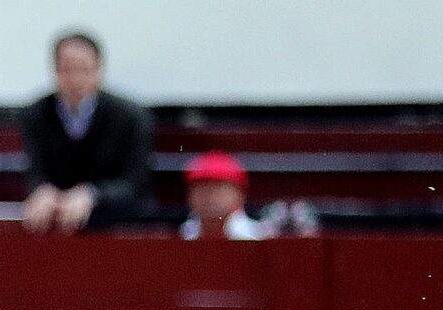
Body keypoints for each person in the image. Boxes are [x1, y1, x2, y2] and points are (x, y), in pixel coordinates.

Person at [18, 31, 153, 235]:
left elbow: (134, 183)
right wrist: (42, 190)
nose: (76, 79)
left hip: (118, 223)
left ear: (99, 71)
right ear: (54, 71)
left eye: (84, 70)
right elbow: (34, 170)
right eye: (67, 70)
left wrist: (92, 194)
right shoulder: (35, 115)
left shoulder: (130, 117)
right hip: (56, 223)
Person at [179, 152, 263, 241]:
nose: (208, 195)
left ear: (240, 194)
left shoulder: (259, 237)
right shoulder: (182, 236)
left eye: (217, 187)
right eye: (201, 187)